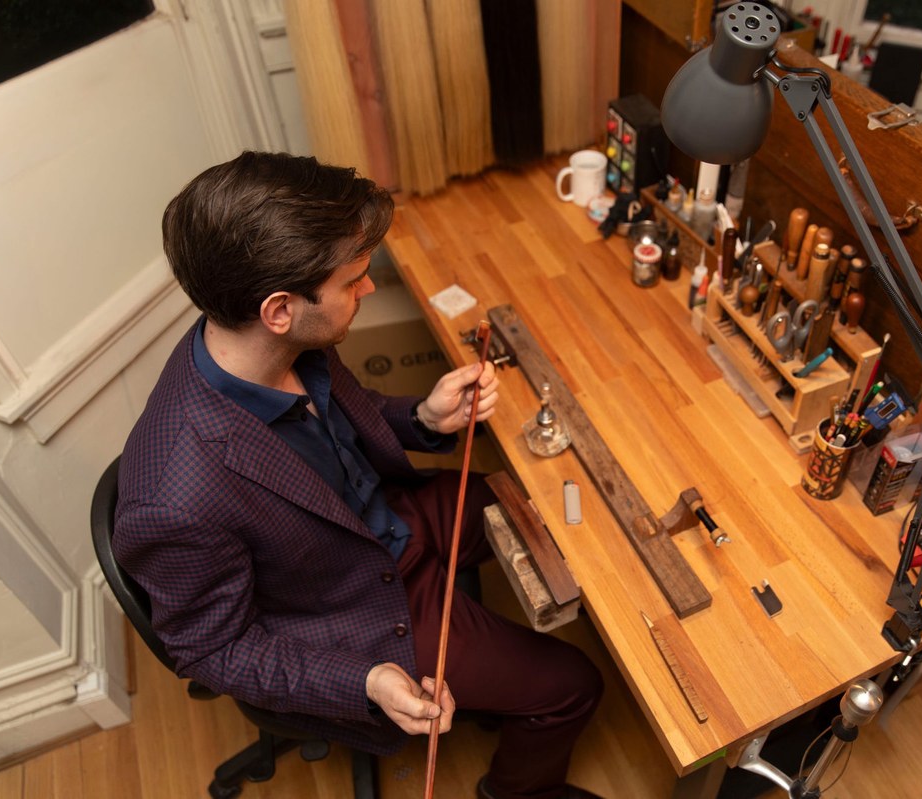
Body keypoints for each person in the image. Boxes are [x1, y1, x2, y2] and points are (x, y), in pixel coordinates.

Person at [114, 151, 604, 799]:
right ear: (280, 309)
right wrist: (365, 680)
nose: (368, 289)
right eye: (353, 280)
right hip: (358, 604)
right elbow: (214, 651)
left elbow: (347, 419)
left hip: (394, 517)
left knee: (549, 505)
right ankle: (518, 792)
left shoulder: (276, 340)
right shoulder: (172, 498)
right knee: (573, 684)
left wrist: (425, 417)